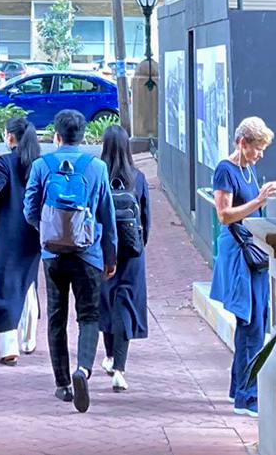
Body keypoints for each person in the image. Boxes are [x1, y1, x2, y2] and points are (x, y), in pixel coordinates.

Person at [23, 108, 117, 414]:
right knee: (89, 315)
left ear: (57, 135)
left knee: (56, 317)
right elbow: (106, 212)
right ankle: (84, 369)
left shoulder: (42, 165)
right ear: (82, 135)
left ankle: (62, 384)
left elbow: (29, 209)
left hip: (52, 254)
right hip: (88, 253)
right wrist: (110, 253)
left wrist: (47, 231)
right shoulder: (97, 167)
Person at [211, 116, 276, 417]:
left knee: (256, 321)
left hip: (252, 253)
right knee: (250, 324)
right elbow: (224, 215)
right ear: (243, 143)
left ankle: (237, 387)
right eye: (258, 148)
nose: (260, 154)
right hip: (240, 254)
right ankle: (246, 395)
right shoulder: (226, 170)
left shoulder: (248, 169)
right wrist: (259, 201)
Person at [0, 116, 41, 364]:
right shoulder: (38, 162)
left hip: (7, 232)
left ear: (11, 137)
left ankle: (9, 345)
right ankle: (30, 340)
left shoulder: (6, 161)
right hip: (33, 231)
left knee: (5, 285)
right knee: (28, 284)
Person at [97, 122, 150, 394]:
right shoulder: (137, 177)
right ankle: (119, 367)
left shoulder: (97, 174)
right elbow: (145, 220)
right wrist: (139, 245)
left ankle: (108, 357)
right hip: (131, 252)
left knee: (106, 301)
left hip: (103, 250)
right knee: (124, 305)